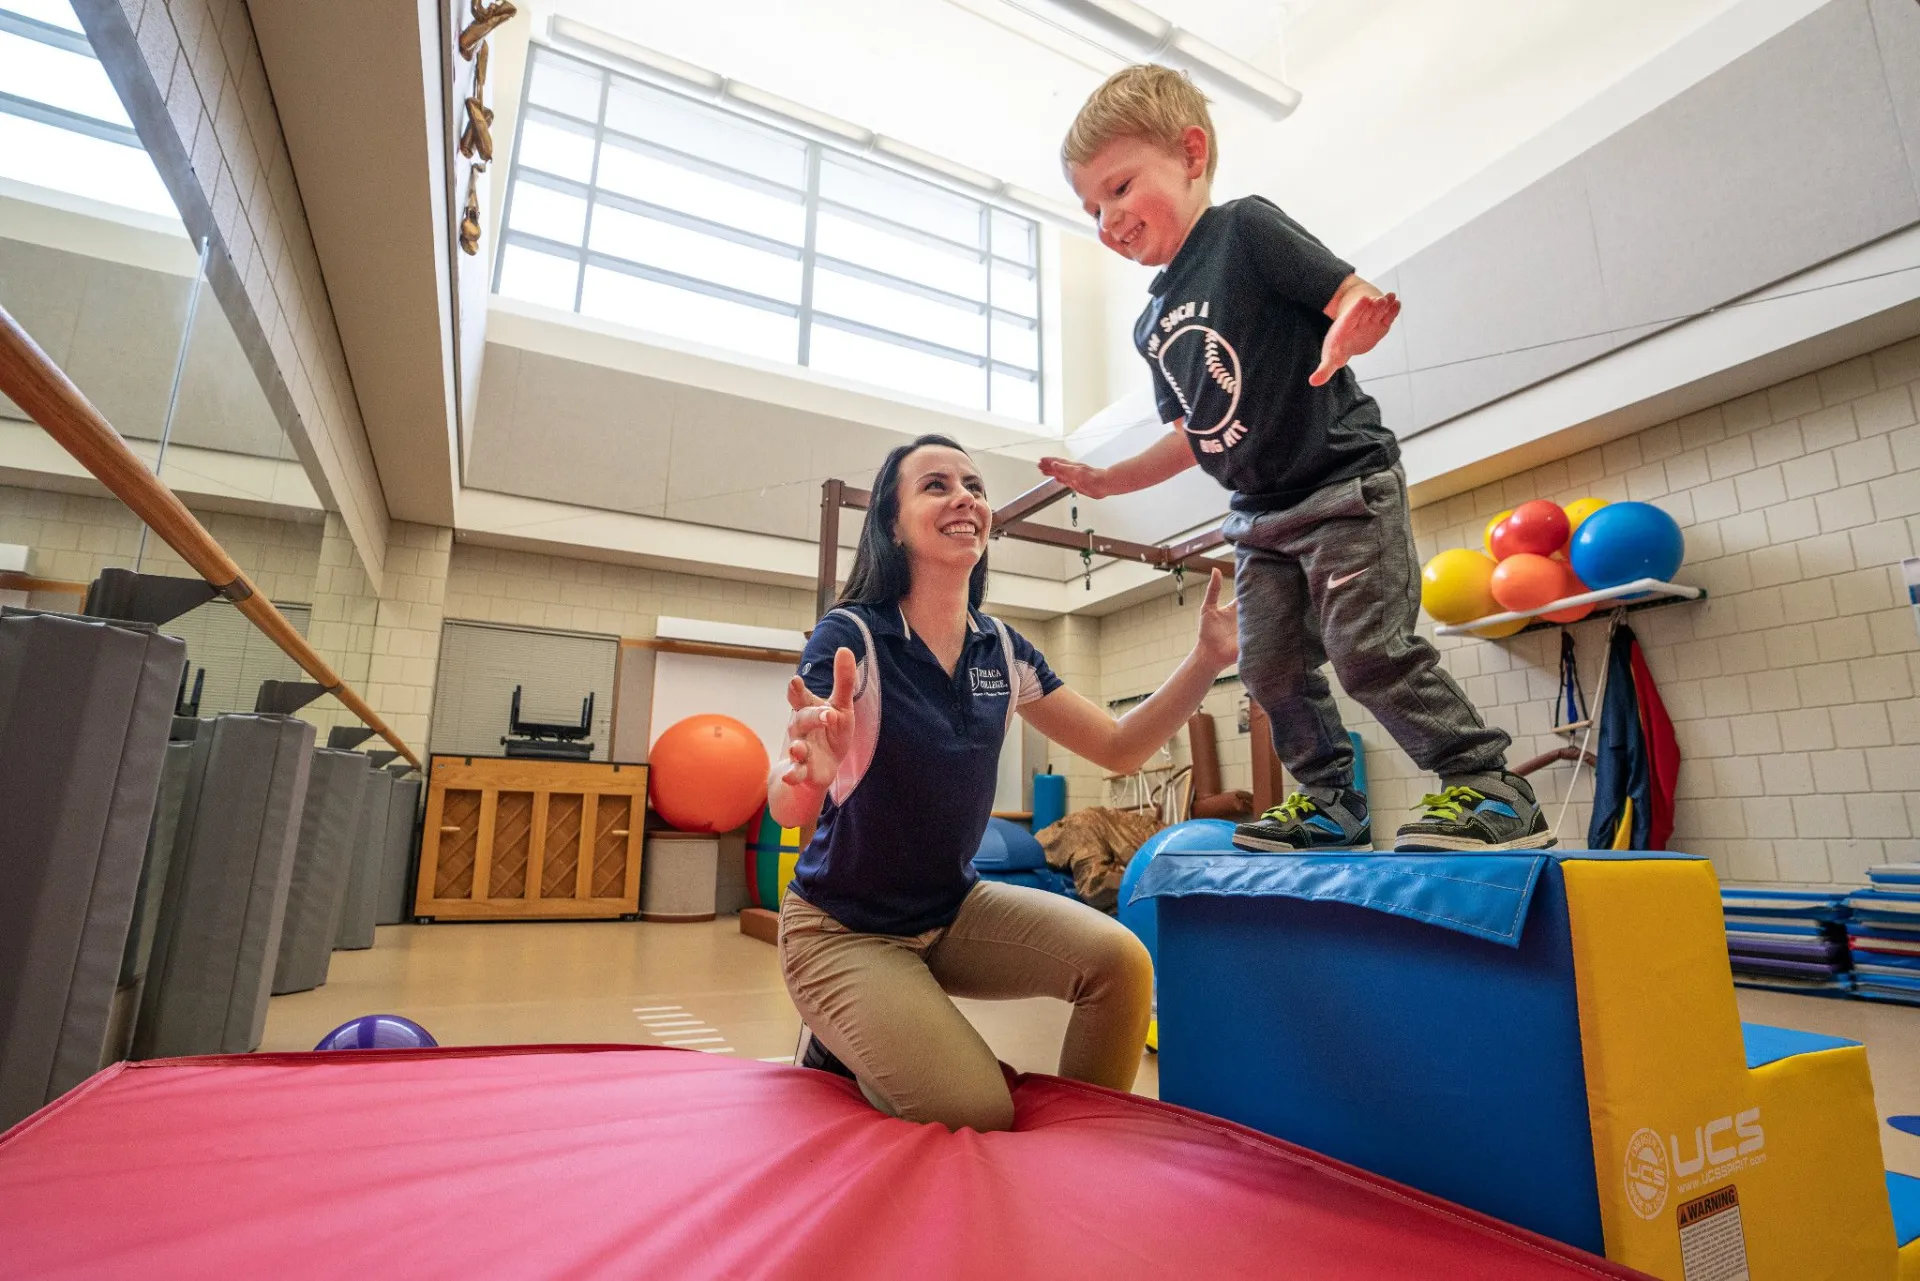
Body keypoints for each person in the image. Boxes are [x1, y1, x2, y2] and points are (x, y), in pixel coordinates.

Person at [1040, 64, 1550, 855]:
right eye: (1091, 207)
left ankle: (1486, 780)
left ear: (1192, 153)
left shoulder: (1242, 233)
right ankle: (1330, 804)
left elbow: (1347, 291)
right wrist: (1110, 479)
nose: (1107, 219)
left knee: (1367, 649)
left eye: (1119, 187)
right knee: (1269, 672)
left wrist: (1354, 320)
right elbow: (1192, 434)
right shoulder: (1149, 326)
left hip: (1342, 483)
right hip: (1256, 520)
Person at [768, 433, 1238, 1133]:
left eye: (975, 485)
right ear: (893, 525)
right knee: (975, 1110)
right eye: (936, 484)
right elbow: (786, 798)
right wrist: (809, 773)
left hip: (951, 912)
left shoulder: (1002, 649)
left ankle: (1079, 1146)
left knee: (1121, 964)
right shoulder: (853, 638)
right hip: (843, 932)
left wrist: (1206, 659)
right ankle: (834, 1045)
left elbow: (1118, 748)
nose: (965, 497)